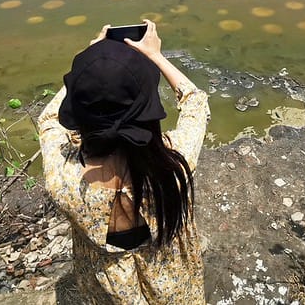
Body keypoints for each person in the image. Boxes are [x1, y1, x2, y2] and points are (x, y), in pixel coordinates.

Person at [38, 20, 210, 304]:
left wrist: (90, 60)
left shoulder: (63, 177)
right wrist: (156, 56)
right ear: (149, 110)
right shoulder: (172, 162)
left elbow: (49, 120)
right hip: (174, 285)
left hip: (110, 292)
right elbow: (196, 103)